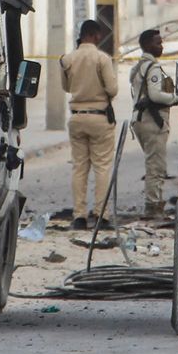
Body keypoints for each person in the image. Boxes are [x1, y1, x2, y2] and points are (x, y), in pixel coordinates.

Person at [60, 19, 119, 230]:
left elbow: (66, 87)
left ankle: (79, 216)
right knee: (102, 167)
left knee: (79, 168)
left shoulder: (67, 59)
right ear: (94, 36)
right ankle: (101, 215)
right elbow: (112, 90)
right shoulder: (102, 58)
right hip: (99, 117)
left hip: (76, 117)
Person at [130, 28, 178, 221]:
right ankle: (153, 208)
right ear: (147, 45)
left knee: (153, 164)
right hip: (151, 121)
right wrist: (176, 98)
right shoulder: (152, 68)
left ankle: (154, 204)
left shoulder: (139, 66)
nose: (161, 46)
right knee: (156, 167)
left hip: (140, 120)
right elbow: (155, 95)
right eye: (158, 43)